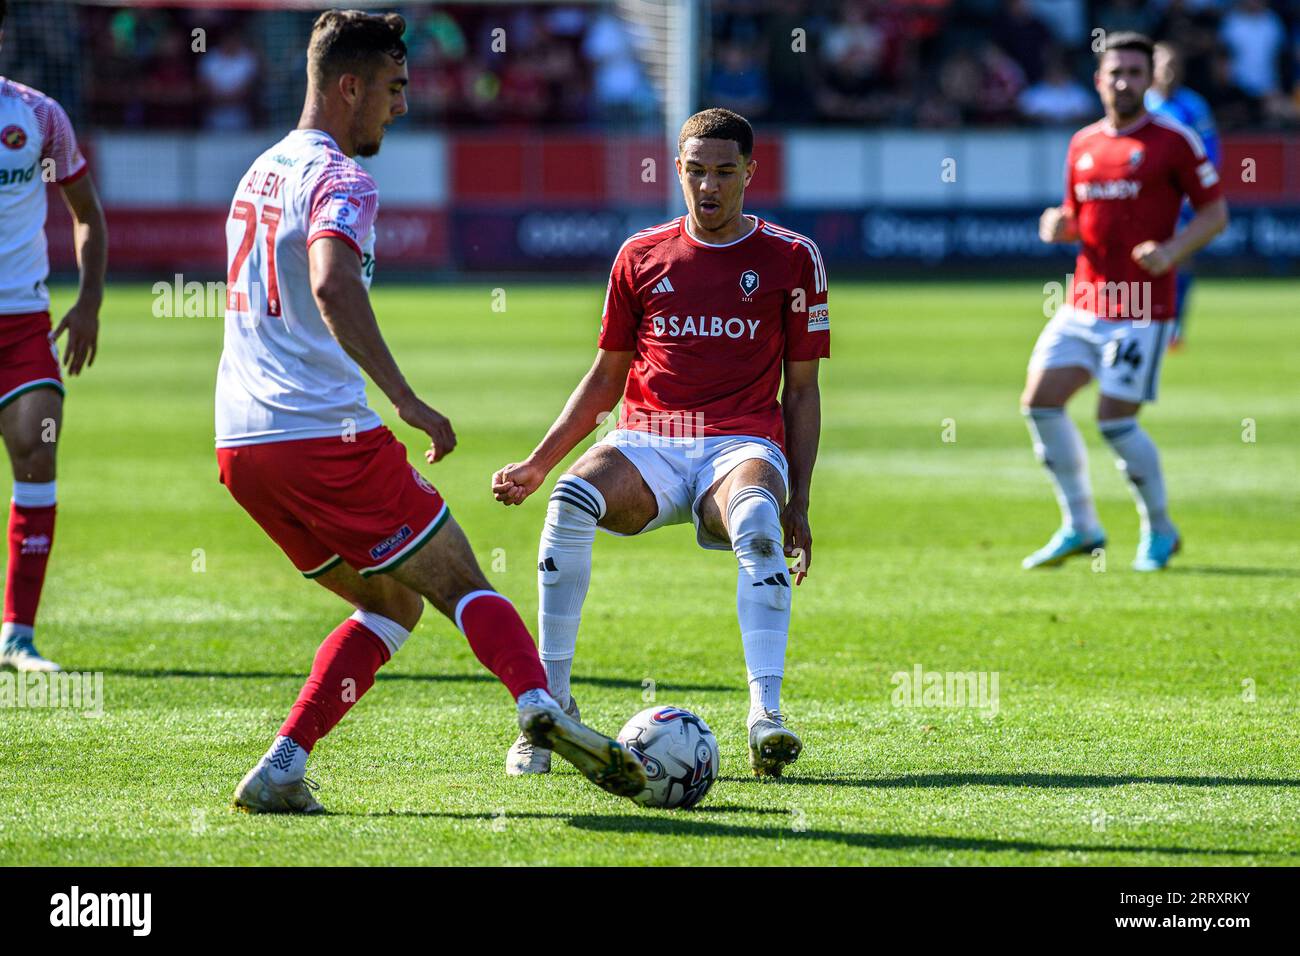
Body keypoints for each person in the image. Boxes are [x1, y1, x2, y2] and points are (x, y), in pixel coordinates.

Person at [215, 9, 643, 813]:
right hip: (321, 436)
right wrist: (406, 400)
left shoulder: (259, 172)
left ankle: (281, 766)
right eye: (393, 88)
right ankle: (537, 705)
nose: (401, 106)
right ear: (350, 87)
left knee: (393, 601)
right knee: (460, 581)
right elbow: (332, 282)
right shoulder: (341, 177)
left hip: (242, 448)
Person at [493, 108, 828, 778]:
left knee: (757, 523)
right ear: (677, 170)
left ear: (750, 173)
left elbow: (802, 392)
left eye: (725, 172)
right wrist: (537, 462)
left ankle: (766, 716)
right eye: (697, 171)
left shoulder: (793, 258)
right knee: (568, 500)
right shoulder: (640, 254)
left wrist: (801, 502)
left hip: (739, 443)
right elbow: (605, 377)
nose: (709, 186)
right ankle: (550, 712)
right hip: (650, 438)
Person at [1023, 32, 1228, 573]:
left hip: (1141, 307)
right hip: (1082, 301)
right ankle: (1081, 526)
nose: (1124, 82)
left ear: (1148, 79)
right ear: (1099, 79)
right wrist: (1058, 225)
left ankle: (1159, 529)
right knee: (1040, 404)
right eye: (1115, 72)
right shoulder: (1082, 143)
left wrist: (1173, 251)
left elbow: (1215, 213)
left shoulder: (1173, 139)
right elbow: (1076, 216)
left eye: (1135, 73)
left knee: (1115, 422)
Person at [0, 0, 108, 672]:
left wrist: (90, 300)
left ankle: (18, 636)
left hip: (23, 327)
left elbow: (87, 215)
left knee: (38, 457)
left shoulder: (39, 115)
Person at [1145, 41, 1221, 347]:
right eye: (1164, 65)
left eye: (1175, 66)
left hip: (1182, 197)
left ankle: (1173, 324)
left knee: (1181, 257)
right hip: (1145, 197)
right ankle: (1142, 319)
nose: (1170, 72)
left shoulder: (1194, 106)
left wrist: (1199, 188)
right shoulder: (1142, 104)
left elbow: (1211, 150)